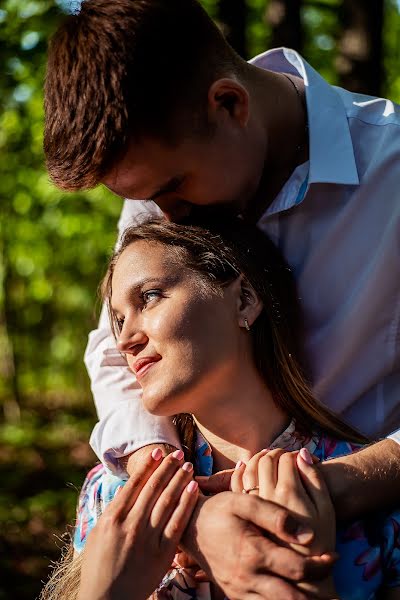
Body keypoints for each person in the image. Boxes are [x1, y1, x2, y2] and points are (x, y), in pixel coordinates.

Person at [43, 1, 400, 597]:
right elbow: (115, 352)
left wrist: (311, 495)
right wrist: (185, 510)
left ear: (230, 104)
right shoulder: (164, 183)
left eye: (171, 189)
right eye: (146, 201)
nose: (164, 215)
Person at [43, 218, 400, 600]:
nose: (126, 341)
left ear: (244, 298)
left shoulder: (377, 495)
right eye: (118, 320)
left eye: (148, 296)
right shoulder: (113, 493)